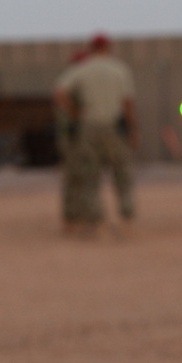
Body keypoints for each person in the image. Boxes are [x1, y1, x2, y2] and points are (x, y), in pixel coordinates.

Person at [52, 33, 138, 236]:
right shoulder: (119, 69)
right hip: (113, 128)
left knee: (90, 176)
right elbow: (127, 103)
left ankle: (96, 221)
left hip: (88, 127)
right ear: (109, 47)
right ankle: (126, 218)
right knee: (123, 173)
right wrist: (133, 130)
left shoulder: (82, 70)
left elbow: (58, 92)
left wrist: (76, 113)